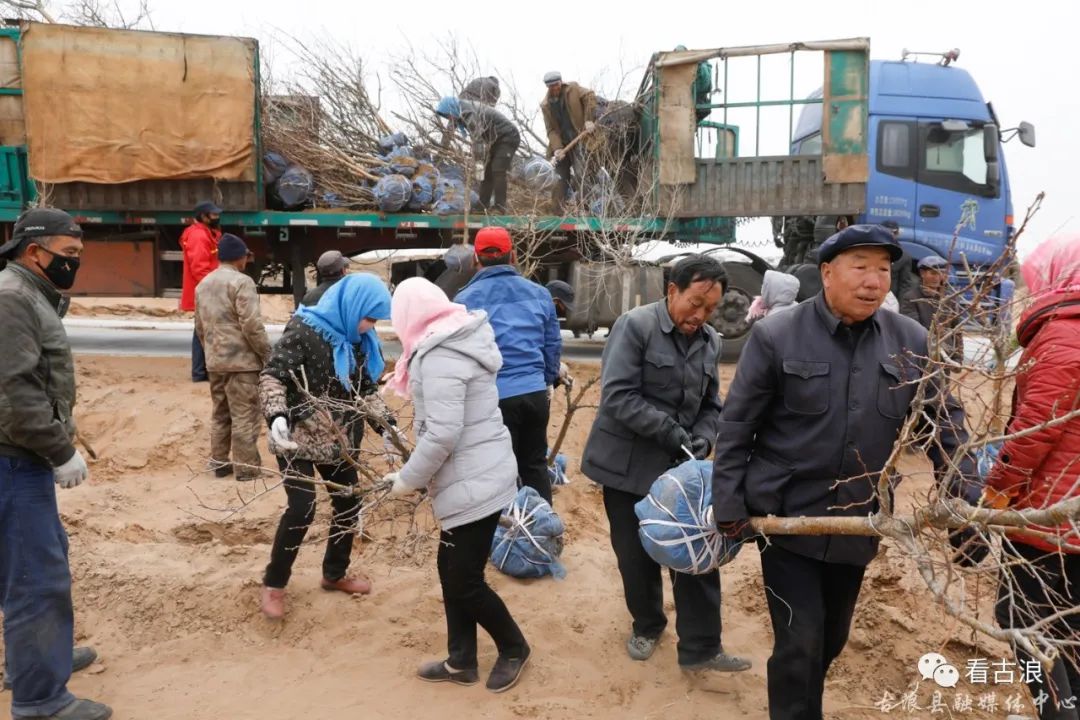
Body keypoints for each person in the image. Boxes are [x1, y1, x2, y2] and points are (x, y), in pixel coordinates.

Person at [711, 224, 985, 720]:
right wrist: (729, 503)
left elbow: (947, 425)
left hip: (860, 522)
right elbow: (737, 425)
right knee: (799, 644)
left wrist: (965, 506)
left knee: (829, 639)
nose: (874, 280)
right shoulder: (777, 334)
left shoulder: (911, 341)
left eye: (883, 269)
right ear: (827, 273)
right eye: (860, 266)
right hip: (787, 520)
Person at [581, 255, 751, 685]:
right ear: (672, 290)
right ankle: (647, 625)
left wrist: (705, 437)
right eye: (695, 303)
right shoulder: (635, 327)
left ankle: (701, 647)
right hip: (626, 466)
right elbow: (618, 397)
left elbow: (713, 403)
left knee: (697, 553)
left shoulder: (710, 341)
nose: (701, 315)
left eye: (710, 308)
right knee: (635, 555)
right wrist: (675, 432)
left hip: (682, 469)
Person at [383, 277, 530, 693]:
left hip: (474, 479)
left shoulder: (440, 355)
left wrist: (408, 478)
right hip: (474, 472)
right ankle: (461, 660)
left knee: (464, 578)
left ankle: (515, 647)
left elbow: (442, 434)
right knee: (449, 570)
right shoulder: (450, 339)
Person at [0, 208, 111, 720]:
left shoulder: (28, 294)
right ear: (33, 251)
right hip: (14, 460)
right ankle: (39, 699)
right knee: (34, 576)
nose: (74, 264)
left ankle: (39, 658)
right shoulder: (13, 298)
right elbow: (14, 392)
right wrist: (58, 449)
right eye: (67, 256)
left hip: (20, 459)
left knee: (35, 562)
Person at [258, 273, 393, 620]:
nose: (370, 327)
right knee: (301, 508)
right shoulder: (304, 331)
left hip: (339, 440)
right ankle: (274, 584)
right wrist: (276, 416)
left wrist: (388, 426)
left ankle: (334, 573)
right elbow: (273, 374)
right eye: (370, 318)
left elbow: (364, 388)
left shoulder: (358, 340)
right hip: (296, 439)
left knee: (349, 501)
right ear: (353, 307)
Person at [987, 234, 1080, 720]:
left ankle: (1057, 715)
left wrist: (994, 501)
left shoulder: (1064, 336)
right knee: (1069, 628)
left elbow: (1032, 437)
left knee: (1024, 623)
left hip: (1051, 525)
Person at [454, 227, 562, 504]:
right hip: (536, 395)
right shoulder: (540, 294)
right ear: (512, 256)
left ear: (475, 259)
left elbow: (461, 356)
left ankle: (503, 539)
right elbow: (552, 347)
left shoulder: (464, 300)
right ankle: (540, 534)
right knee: (535, 465)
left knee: (497, 472)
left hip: (494, 398)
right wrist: (546, 380)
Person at [194, 234, 272, 481]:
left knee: (220, 413)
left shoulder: (203, 284)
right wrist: (267, 354)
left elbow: (199, 327)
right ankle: (246, 468)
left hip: (215, 361)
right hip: (242, 363)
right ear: (240, 257)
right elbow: (251, 324)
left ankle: (219, 462)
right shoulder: (242, 282)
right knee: (245, 415)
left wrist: (211, 353)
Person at [435, 96, 520, 212]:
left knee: (498, 170)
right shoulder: (461, 111)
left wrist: (479, 161)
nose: (450, 118)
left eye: (448, 115)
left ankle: (500, 207)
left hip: (508, 136)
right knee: (486, 173)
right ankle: (482, 206)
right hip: (494, 140)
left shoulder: (468, 112)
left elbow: (477, 138)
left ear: (451, 108)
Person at [180, 201, 223, 383]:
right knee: (203, 331)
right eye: (213, 215)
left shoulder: (207, 233)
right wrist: (215, 288)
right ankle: (199, 373)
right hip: (205, 291)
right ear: (203, 217)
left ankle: (202, 371)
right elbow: (199, 268)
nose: (217, 217)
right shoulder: (198, 236)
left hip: (205, 289)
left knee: (205, 330)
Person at [540, 72, 598, 205]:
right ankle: (557, 211)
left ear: (561, 82)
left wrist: (589, 120)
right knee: (558, 178)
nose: (555, 88)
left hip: (580, 140)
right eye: (551, 86)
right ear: (547, 87)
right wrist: (557, 149)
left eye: (556, 85)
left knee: (581, 174)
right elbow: (551, 130)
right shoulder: (546, 105)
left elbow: (590, 96)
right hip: (562, 146)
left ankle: (585, 208)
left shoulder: (573, 89)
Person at [900, 255, 965, 364]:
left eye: (941, 273)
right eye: (933, 273)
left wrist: (958, 357)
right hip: (921, 357)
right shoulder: (911, 298)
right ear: (922, 273)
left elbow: (957, 330)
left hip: (945, 357)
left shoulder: (949, 299)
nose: (937, 277)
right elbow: (913, 329)